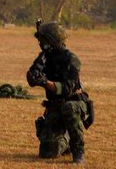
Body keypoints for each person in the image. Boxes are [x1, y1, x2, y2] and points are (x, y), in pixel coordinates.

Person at [26, 20, 91, 164]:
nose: (41, 42)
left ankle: (78, 151)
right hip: (54, 107)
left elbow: (67, 89)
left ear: (53, 40)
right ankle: (65, 141)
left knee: (68, 108)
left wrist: (44, 82)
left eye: (44, 39)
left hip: (74, 104)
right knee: (47, 152)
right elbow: (31, 79)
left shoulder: (71, 60)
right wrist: (33, 76)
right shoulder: (45, 57)